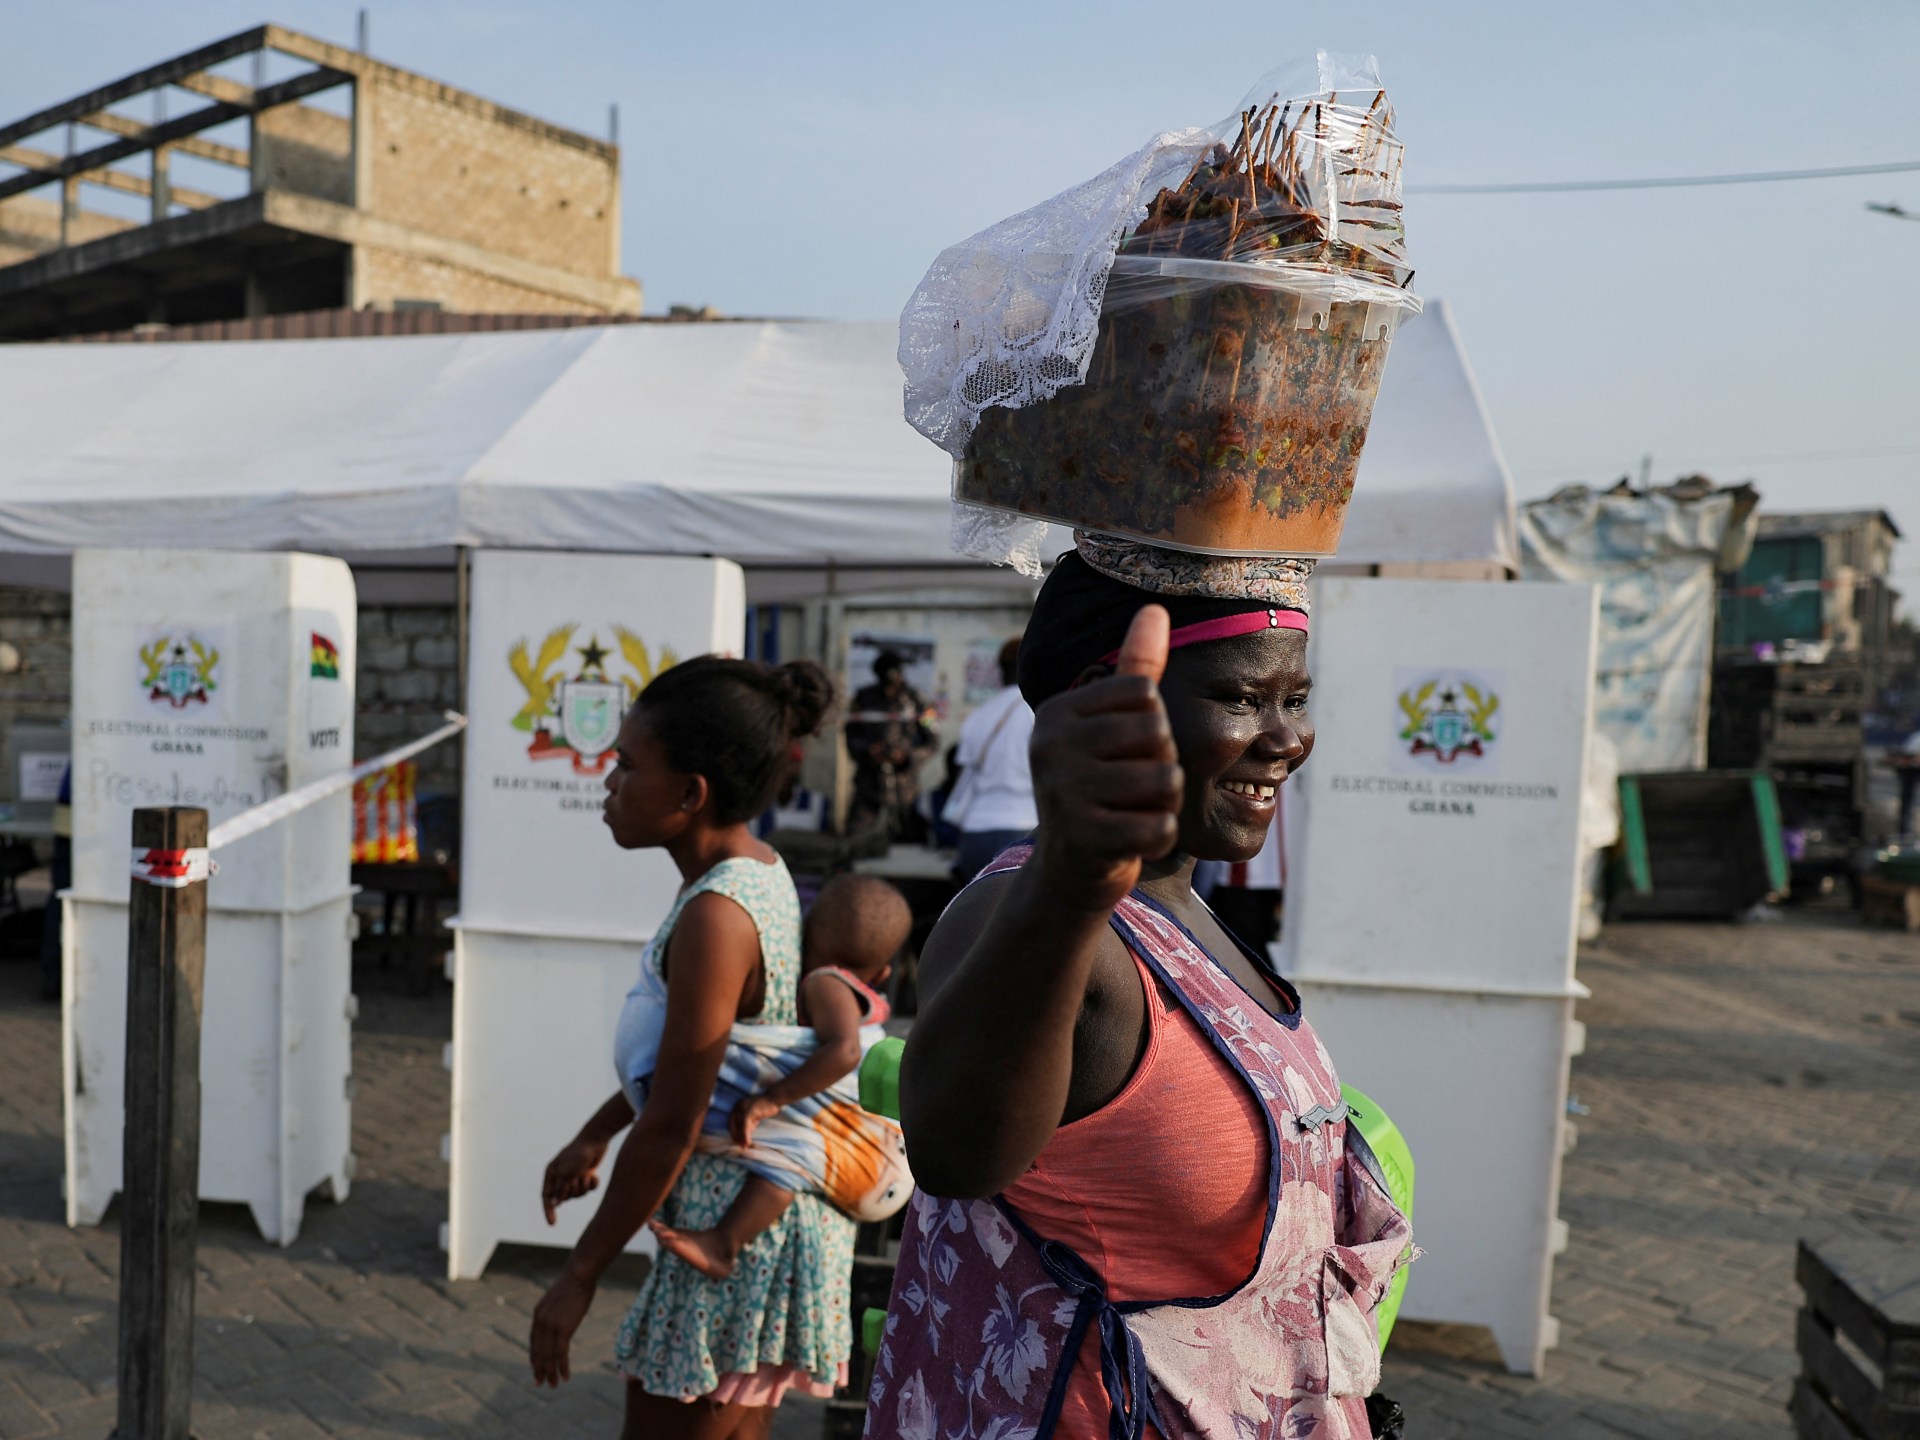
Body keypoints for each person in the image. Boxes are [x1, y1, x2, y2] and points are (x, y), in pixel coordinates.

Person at [870, 544, 1412, 1439]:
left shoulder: (1187, 912)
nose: (1286, 740)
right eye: (1241, 699)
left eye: (1294, 698)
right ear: (1104, 704)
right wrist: (1066, 885)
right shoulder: (1030, 917)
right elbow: (955, 1152)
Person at [529, 655, 856, 1438]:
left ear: (690, 794)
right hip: (759, 1223)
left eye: (626, 766)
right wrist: (599, 1129)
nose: (609, 783)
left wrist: (578, 1277)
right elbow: (701, 1061)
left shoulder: (716, 916)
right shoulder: (755, 868)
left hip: (725, 1234)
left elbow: (675, 1120)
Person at [650, 873, 914, 1279]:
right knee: (792, 1160)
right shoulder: (863, 991)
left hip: (869, 1155)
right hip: (884, 1170)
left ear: (804, 932)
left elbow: (844, 1052)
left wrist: (770, 1099)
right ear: (881, 975)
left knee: (786, 1162)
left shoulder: (826, 983)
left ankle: (724, 1243)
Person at [945, 635, 1038, 882]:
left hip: (975, 835)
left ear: (999, 669)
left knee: (974, 918)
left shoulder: (978, 716)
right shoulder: (1037, 712)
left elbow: (959, 774)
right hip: (1022, 830)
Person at [844, 649, 936, 841]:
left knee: (910, 852)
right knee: (856, 845)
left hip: (906, 794)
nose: (891, 688)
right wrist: (868, 751)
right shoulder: (863, 699)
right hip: (869, 791)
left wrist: (907, 756)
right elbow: (850, 735)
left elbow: (932, 739)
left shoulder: (917, 701)